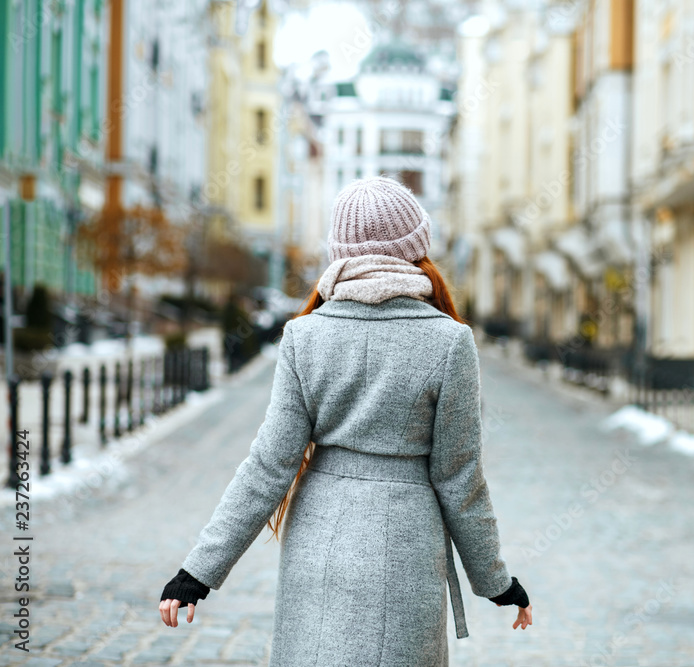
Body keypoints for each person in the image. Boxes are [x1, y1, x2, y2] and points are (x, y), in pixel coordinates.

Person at [159, 176, 532, 665]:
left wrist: (198, 573)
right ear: (417, 248)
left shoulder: (304, 335)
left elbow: (269, 466)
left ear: (339, 252)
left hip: (317, 545)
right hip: (406, 552)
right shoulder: (450, 341)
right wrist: (496, 582)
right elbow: (459, 479)